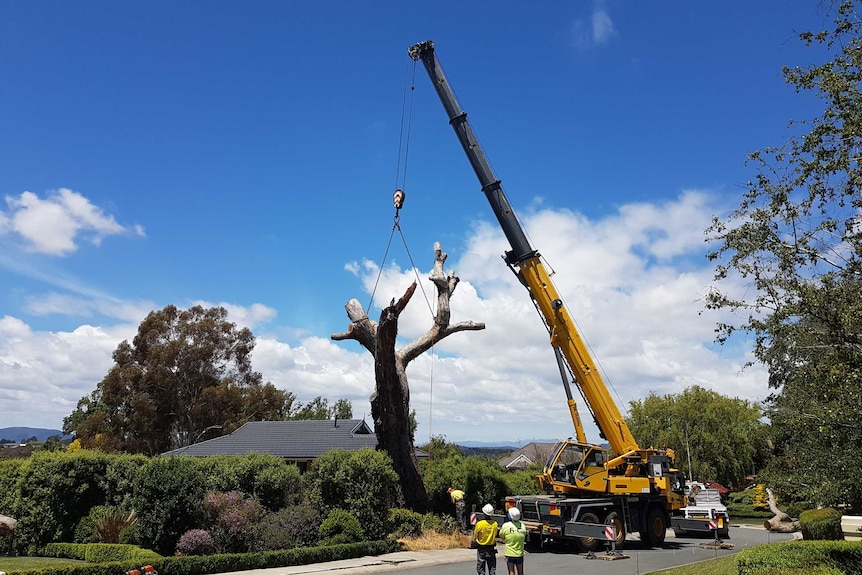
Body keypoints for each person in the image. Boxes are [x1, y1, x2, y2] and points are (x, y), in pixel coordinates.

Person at [499, 507, 527, 575]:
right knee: (520, 571)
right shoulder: (522, 526)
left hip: (510, 553)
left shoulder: (506, 525)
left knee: (511, 571)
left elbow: (501, 535)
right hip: (520, 553)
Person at [472, 503, 499, 575]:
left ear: (484, 513)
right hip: (491, 548)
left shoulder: (480, 524)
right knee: (492, 568)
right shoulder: (495, 524)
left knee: (481, 567)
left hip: (481, 548)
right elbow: (495, 534)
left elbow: (475, 536)